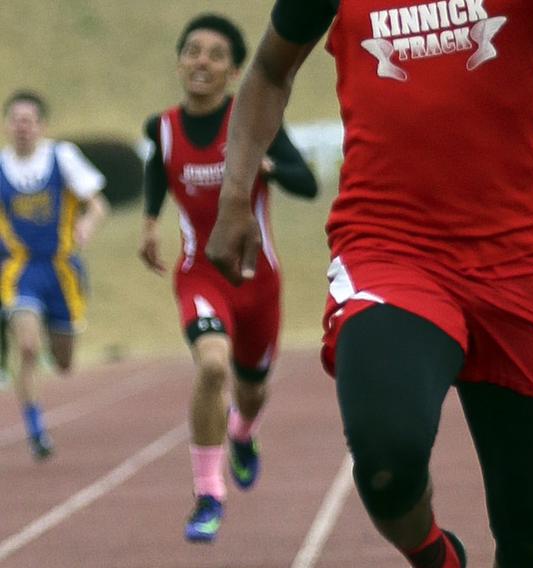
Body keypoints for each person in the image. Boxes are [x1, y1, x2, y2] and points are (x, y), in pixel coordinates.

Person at [205, 1, 533, 567]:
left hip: (520, 261)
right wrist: (233, 194)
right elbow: (270, 69)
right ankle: (438, 559)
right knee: (386, 458)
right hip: (390, 251)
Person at [137, 13, 318, 543]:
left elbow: (308, 183)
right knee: (212, 368)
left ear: (235, 70)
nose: (201, 62)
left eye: (216, 55)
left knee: (252, 392)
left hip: (258, 281)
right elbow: (159, 166)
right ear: (179, 60)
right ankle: (209, 494)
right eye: (192, 51)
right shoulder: (162, 127)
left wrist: (267, 169)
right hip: (201, 275)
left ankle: (242, 433)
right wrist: (150, 222)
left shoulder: (252, 121)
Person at [0, 90, 108, 459]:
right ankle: (36, 430)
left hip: (62, 271)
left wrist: (88, 225)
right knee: (27, 348)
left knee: (63, 363)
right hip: (20, 270)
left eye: (29, 120)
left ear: (42, 126)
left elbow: (98, 203)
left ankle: (51, 328)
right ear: (6, 125)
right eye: (15, 120)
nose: (22, 127)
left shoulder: (62, 157)